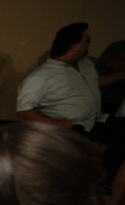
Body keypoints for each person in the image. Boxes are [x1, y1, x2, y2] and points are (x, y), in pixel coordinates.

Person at [17, 23, 125, 187]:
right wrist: (55, 122)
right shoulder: (43, 76)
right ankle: (98, 179)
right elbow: (24, 110)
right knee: (83, 155)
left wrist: (122, 74)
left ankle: (107, 179)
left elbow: (94, 82)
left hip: (96, 119)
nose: (89, 44)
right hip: (70, 125)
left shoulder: (85, 65)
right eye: (86, 41)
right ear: (74, 47)